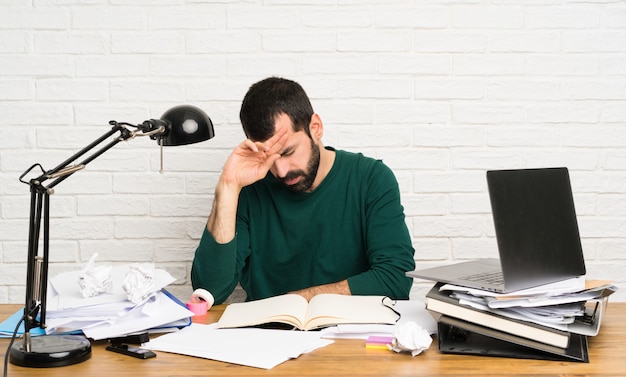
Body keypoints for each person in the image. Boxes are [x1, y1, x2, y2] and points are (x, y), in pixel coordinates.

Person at [191, 77, 415, 304]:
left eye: (288, 152)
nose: (280, 171)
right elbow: (210, 291)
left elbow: (396, 279)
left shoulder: (371, 179)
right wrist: (228, 187)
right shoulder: (249, 189)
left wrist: (303, 298)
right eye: (268, 157)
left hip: (351, 334)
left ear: (315, 128)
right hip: (267, 334)